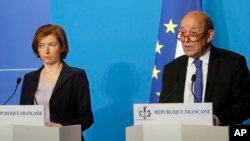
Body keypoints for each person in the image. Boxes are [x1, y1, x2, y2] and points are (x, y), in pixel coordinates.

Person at [159, 11, 250, 125]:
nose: (186, 40)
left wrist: (217, 119)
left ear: (209, 35)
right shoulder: (172, 69)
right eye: (182, 33)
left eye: (192, 34)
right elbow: (164, 105)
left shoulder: (232, 63)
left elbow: (246, 102)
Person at [20, 24, 94, 141]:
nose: (46, 51)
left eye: (52, 45)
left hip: (67, 138)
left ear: (62, 47)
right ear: (37, 49)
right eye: (41, 45)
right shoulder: (29, 79)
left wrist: (62, 127)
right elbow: (24, 115)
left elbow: (87, 118)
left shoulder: (76, 76)